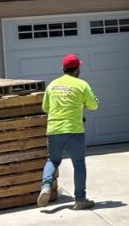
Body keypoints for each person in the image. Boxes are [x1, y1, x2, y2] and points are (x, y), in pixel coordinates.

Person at [38, 53, 99, 209]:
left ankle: (45, 186)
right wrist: (81, 104)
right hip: (74, 130)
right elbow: (94, 105)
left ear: (62, 68)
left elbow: (45, 108)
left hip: (54, 130)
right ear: (77, 69)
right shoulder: (81, 85)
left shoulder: (52, 85)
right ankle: (80, 199)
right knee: (78, 164)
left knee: (53, 160)